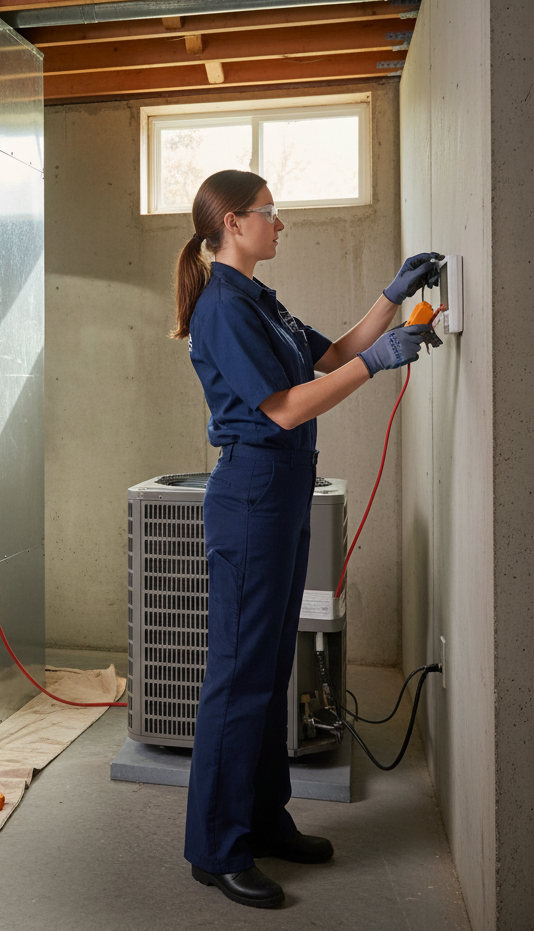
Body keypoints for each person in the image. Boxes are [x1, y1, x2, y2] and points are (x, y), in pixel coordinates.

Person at [173, 170, 440, 909]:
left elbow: (329, 357)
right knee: (238, 674)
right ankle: (216, 848)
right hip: (254, 493)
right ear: (232, 222)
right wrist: (376, 364)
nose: (279, 222)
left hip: (284, 489)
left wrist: (391, 300)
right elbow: (288, 408)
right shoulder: (222, 307)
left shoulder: (259, 300)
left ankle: (264, 819)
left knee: (268, 667)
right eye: (269, 212)